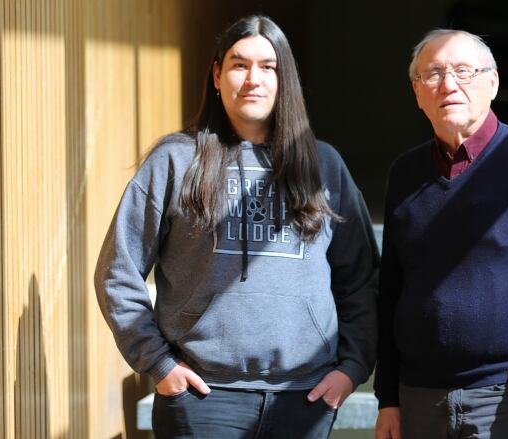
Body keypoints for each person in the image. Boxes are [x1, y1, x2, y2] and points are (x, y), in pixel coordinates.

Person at [94, 15, 378, 439]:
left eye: (268, 66)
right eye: (239, 64)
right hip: (203, 398)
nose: (253, 79)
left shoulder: (323, 166)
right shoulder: (174, 161)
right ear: (217, 75)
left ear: (286, 80)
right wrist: (159, 365)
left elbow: (361, 280)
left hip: (304, 398)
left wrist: (352, 368)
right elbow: (118, 272)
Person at [374, 29, 508, 439]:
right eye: (433, 74)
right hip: (420, 399)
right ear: (417, 93)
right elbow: (392, 290)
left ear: (492, 82)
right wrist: (388, 398)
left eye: (463, 70)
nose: (449, 84)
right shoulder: (405, 173)